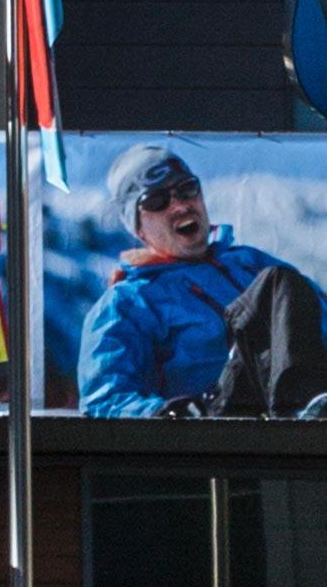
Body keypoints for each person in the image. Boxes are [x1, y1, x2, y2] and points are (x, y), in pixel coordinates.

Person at [75, 149, 327, 415]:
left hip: (281, 407)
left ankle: (308, 406)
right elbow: (104, 399)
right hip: (215, 420)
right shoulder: (129, 302)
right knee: (277, 284)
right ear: (138, 227)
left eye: (187, 189)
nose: (180, 206)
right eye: (157, 200)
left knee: (282, 286)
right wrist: (163, 413)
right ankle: (301, 410)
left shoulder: (249, 263)